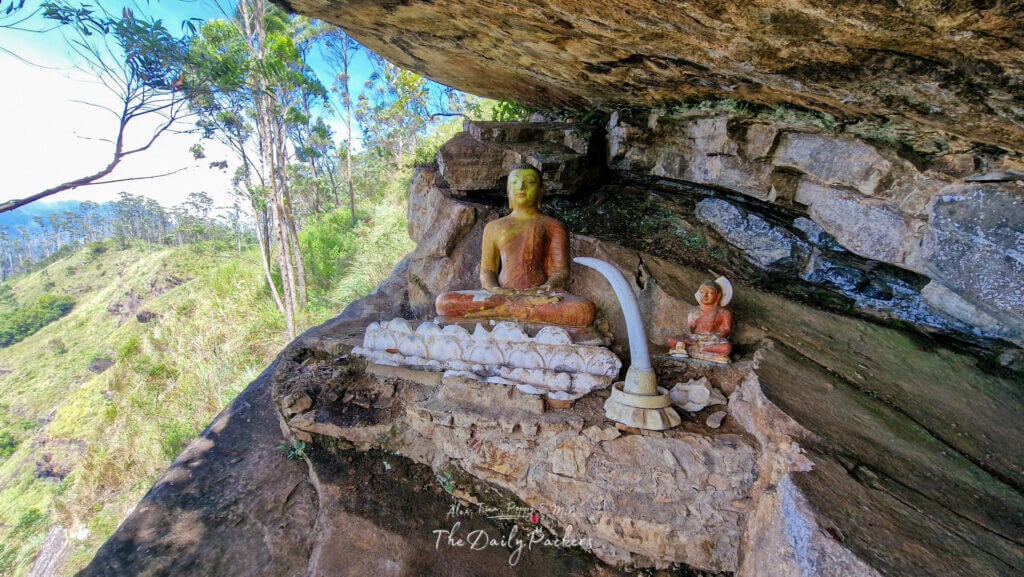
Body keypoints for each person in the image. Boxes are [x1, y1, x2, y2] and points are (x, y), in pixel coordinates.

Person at [435, 165, 596, 327]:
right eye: (515, 183)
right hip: (502, 295)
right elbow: (487, 271)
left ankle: (506, 311)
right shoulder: (493, 227)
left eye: (530, 182)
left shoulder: (553, 226)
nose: (521, 187)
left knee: (583, 310)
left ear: (541, 191)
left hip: (540, 295)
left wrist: (544, 289)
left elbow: (560, 273)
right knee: (444, 301)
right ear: (508, 191)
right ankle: (519, 309)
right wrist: (498, 290)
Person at [668, 278, 733, 363]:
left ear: (718, 296)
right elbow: (689, 330)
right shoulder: (694, 311)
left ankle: (690, 349)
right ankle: (699, 349)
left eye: (710, 293)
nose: (705, 296)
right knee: (671, 340)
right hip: (695, 340)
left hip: (711, 341)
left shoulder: (724, 312)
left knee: (726, 348)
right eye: (702, 292)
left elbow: (726, 329)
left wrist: (716, 336)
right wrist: (691, 333)